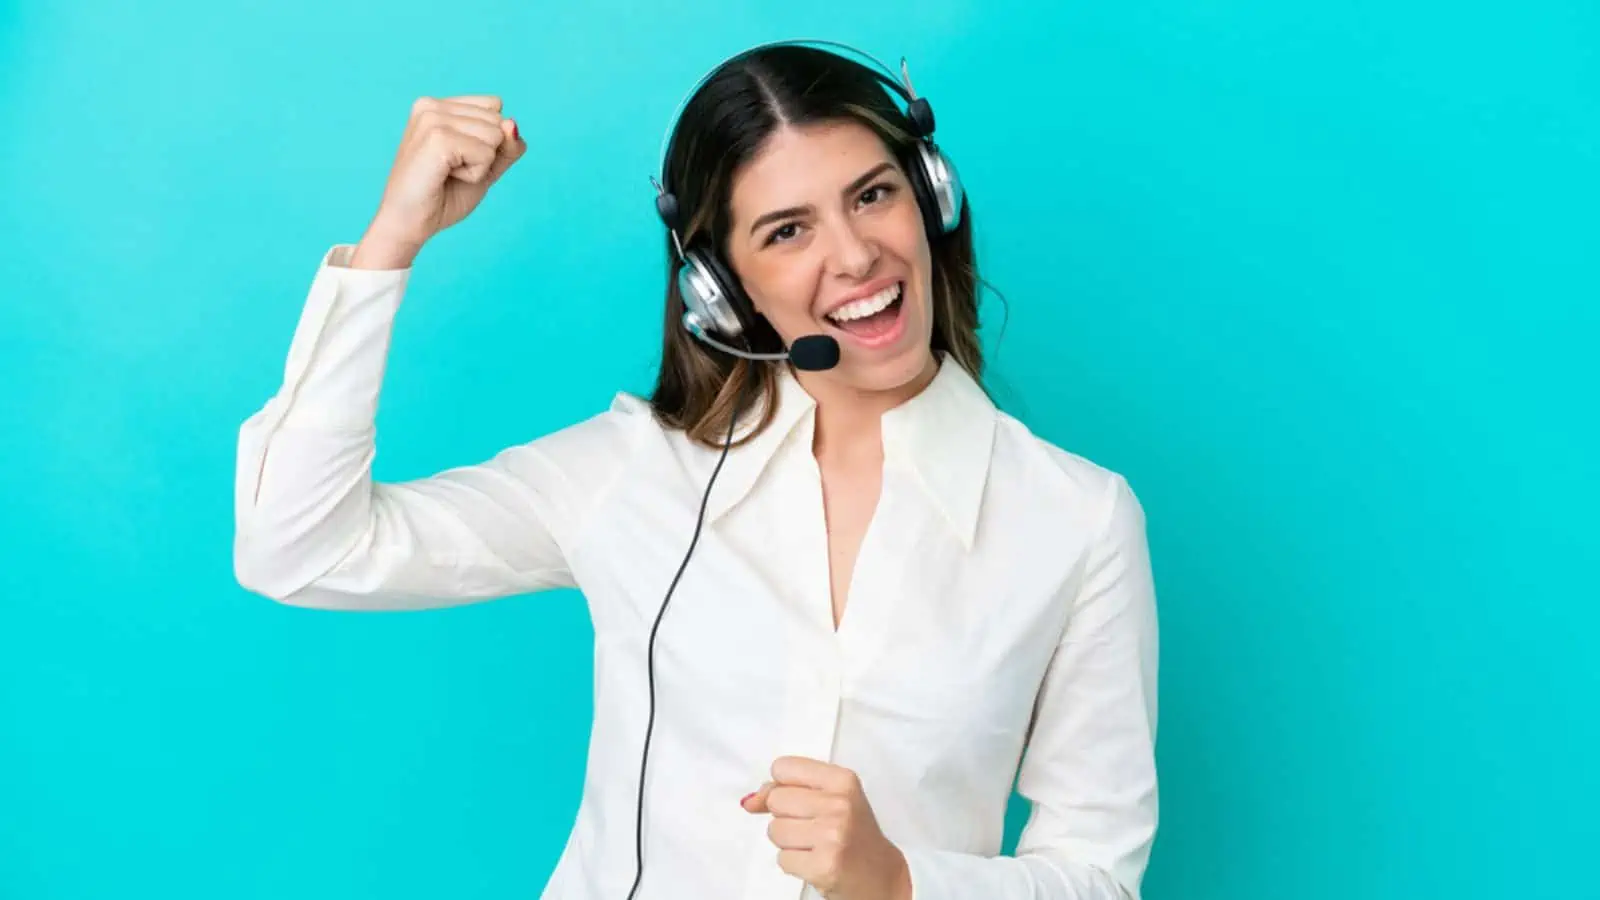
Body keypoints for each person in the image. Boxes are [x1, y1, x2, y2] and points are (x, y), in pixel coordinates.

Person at [233, 39, 1159, 900]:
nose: (854, 254)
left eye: (873, 195)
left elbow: (1097, 875)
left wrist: (900, 880)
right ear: (721, 290)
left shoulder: (1077, 519)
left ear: (933, 197)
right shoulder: (632, 473)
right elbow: (299, 550)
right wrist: (391, 241)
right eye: (787, 231)